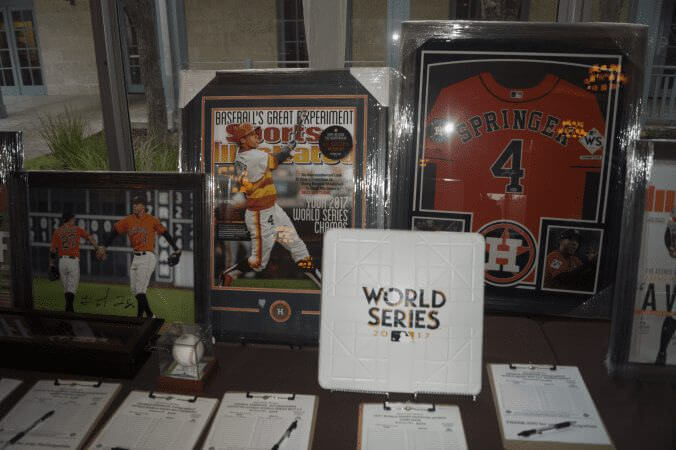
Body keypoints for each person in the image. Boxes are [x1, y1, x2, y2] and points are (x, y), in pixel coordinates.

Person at [218, 122, 321, 288]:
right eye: (252, 134)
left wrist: (287, 150)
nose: (257, 136)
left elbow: (274, 161)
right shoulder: (252, 156)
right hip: (260, 216)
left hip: (273, 210)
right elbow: (276, 160)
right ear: (243, 140)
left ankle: (321, 283)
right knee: (258, 263)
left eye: (256, 133)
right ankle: (228, 274)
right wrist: (288, 148)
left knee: (298, 247)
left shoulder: (244, 156)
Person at [96, 195, 181, 318]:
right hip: (136, 258)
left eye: (137, 204)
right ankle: (140, 317)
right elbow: (114, 231)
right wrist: (104, 246)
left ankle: (150, 316)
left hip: (147, 257)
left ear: (143, 206)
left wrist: (176, 248)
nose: (134, 206)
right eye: (133, 204)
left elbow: (165, 233)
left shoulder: (151, 220)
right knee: (135, 290)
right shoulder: (128, 220)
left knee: (140, 290)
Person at [49, 212, 101, 312]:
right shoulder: (77, 229)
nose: (74, 220)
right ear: (70, 219)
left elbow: (53, 250)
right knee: (71, 290)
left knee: (67, 290)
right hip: (73, 262)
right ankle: (69, 310)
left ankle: (68, 310)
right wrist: (97, 248)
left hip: (62, 262)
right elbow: (90, 237)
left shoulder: (57, 231)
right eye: (73, 219)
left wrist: (51, 264)